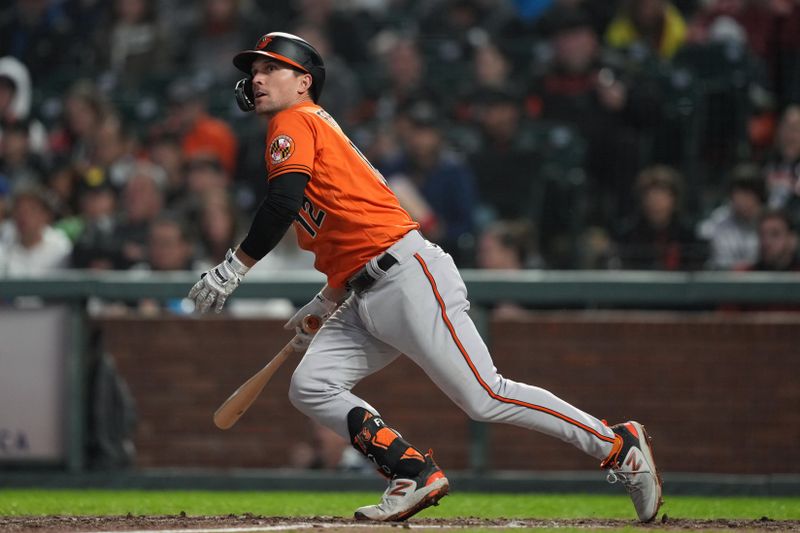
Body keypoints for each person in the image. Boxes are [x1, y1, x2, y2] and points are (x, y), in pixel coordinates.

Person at [187, 32, 663, 523]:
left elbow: (284, 204)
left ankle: (615, 443)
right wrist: (327, 299)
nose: (258, 78)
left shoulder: (294, 119)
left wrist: (233, 267)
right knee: (311, 385)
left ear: (304, 81)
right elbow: (346, 224)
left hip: (406, 276)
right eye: (255, 70)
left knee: (486, 396)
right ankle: (411, 472)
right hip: (361, 289)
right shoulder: (305, 129)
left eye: (271, 68)